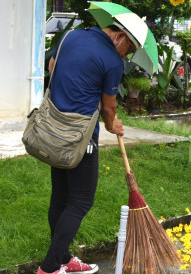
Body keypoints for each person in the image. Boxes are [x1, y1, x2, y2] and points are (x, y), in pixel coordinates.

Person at [36, 24, 136, 274]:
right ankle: (49, 268)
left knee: (60, 196)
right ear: (120, 36)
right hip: (80, 136)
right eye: (130, 48)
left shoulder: (72, 35)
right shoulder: (112, 60)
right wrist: (114, 126)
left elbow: (52, 67)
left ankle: (63, 258)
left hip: (54, 126)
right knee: (80, 201)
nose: (127, 55)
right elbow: (108, 108)